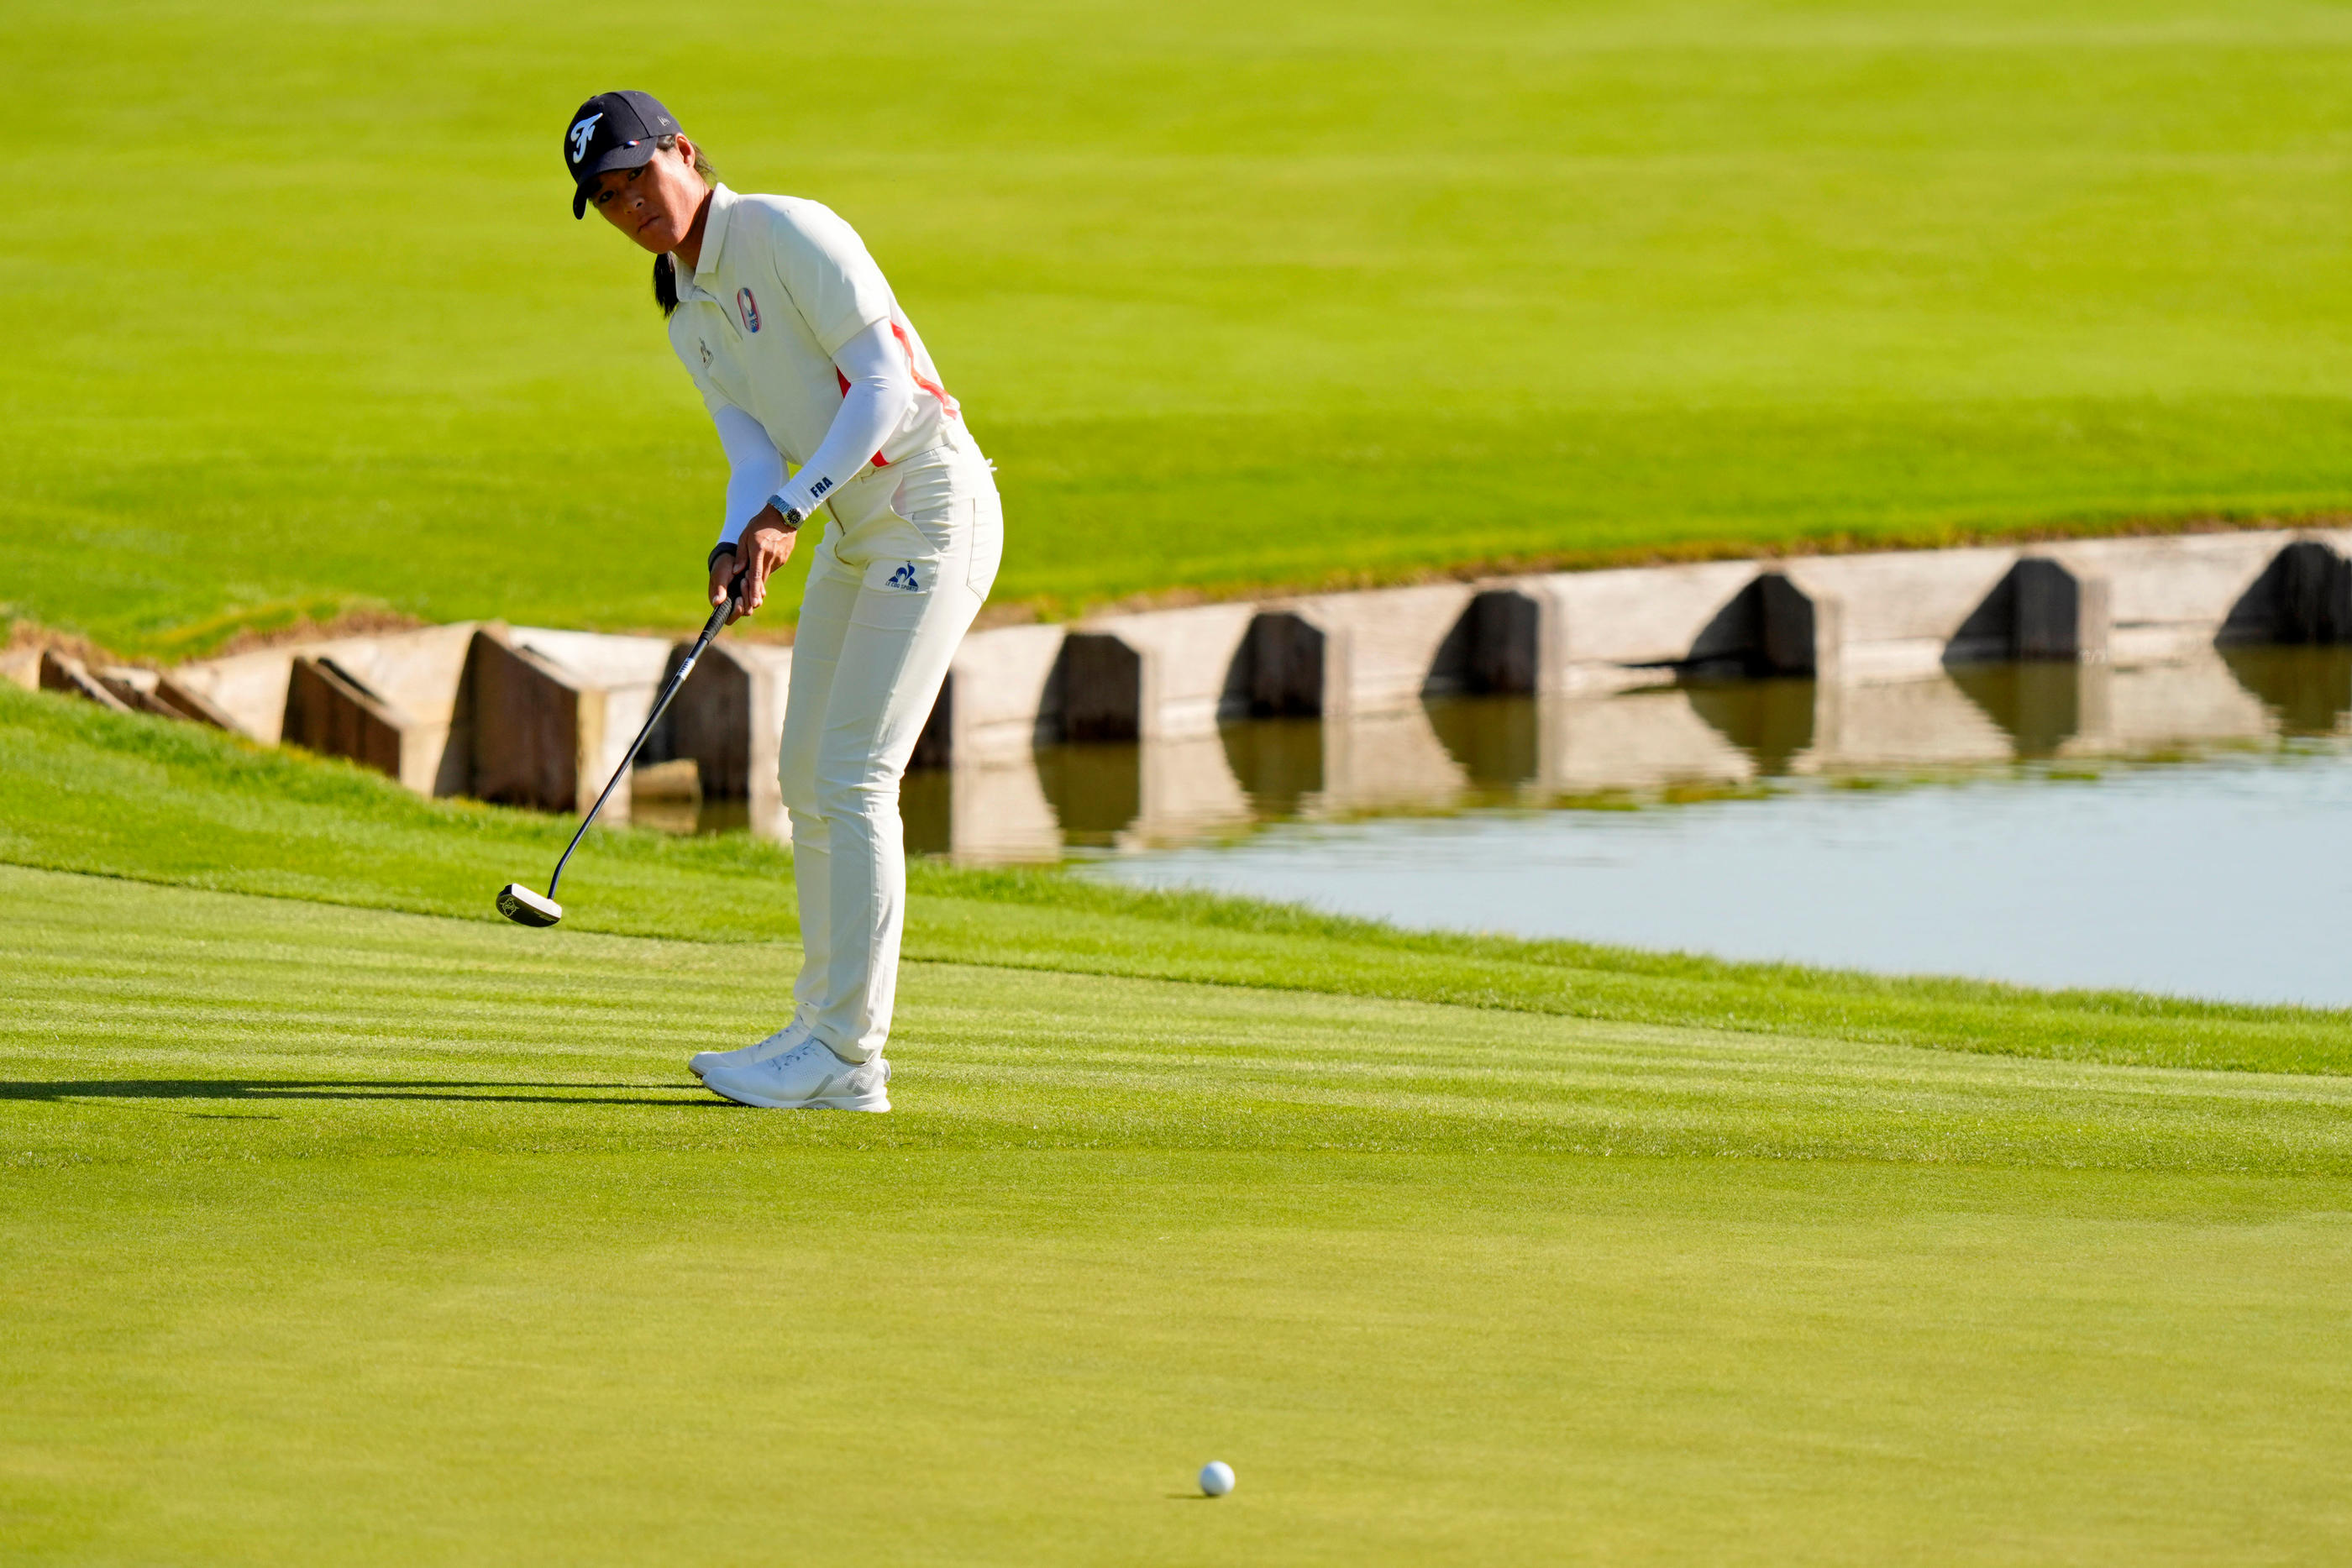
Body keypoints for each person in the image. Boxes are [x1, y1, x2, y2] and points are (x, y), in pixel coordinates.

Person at [562, 91, 1001, 1112]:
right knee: (806, 773)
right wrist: (738, 530)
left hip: (930, 510)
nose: (631, 208)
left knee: (853, 775)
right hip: (856, 523)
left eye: (638, 179)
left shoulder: (787, 230)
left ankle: (850, 1057)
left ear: (682, 150)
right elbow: (752, 448)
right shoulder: (684, 306)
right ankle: (817, 1031)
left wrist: (788, 513)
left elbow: (884, 386)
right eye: (608, 198)